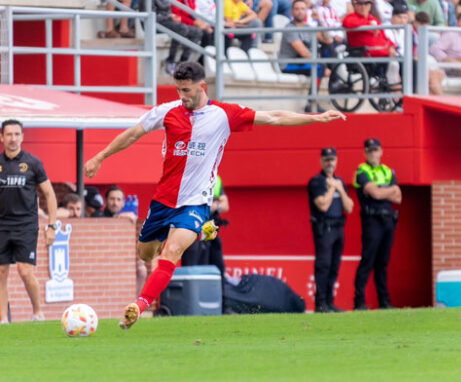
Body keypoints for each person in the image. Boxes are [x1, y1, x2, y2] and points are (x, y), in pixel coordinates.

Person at [83, 62, 345, 330]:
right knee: (145, 254)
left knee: (172, 251)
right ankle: (201, 231)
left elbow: (273, 117)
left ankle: (138, 306)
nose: (182, 95)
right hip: (163, 200)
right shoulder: (167, 111)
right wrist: (100, 157)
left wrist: (315, 118)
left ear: (202, 87)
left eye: (186, 90)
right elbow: (133, 134)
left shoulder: (223, 114)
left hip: (195, 202)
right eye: (178, 89)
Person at [0, 119, 58, 323]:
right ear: (2, 137)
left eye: (16, 134)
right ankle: (3, 320)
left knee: (24, 271)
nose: (13, 138)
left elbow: (50, 195)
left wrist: (52, 225)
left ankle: (37, 312)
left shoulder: (33, 163)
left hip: (26, 225)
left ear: (22, 137)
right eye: (9, 134)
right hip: (2, 226)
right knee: (1, 271)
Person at [353, 138, 401, 310]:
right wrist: (387, 191)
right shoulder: (362, 170)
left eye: (376, 150)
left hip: (387, 220)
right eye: (370, 150)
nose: (373, 153)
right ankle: (359, 302)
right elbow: (376, 194)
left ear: (381, 151)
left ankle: (384, 302)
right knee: (368, 260)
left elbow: (398, 197)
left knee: (383, 262)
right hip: (371, 220)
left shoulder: (387, 171)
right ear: (365, 153)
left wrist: (382, 192)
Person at [308, 147, 353, 313]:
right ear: (321, 161)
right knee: (323, 265)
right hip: (324, 228)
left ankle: (330, 302)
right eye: (326, 160)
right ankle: (320, 304)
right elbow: (323, 205)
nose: (329, 163)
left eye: (332, 159)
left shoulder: (339, 181)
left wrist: (339, 188)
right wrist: (333, 188)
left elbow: (349, 207)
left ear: (336, 161)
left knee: (334, 266)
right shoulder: (317, 182)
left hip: (338, 228)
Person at [280, 0, 333, 111]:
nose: (300, 12)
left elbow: (328, 40)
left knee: (328, 52)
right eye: (297, 9)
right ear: (292, 12)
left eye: (303, 9)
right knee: (319, 67)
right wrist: (322, 65)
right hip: (288, 65)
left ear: (306, 11)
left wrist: (320, 21)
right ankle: (311, 102)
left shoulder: (308, 27)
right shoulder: (289, 28)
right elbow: (303, 52)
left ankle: (337, 81)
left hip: (303, 63)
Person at [181, 175, 229, 279]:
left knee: (215, 258)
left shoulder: (216, 179)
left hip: (210, 226)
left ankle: (218, 288)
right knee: (193, 261)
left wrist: (216, 206)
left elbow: (225, 205)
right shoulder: (191, 176)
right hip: (193, 225)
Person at [429, 12, 461, 95]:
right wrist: (449, 60)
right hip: (453, 68)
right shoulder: (450, 34)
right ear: (457, 22)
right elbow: (434, 49)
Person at [150, 0, 204, 76]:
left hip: (169, 20)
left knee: (197, 32)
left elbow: (171, 12)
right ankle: (170, 60)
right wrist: (170, 17)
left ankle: (182, 63)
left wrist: (172, 17)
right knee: (182, 29)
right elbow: (150, 15)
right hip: (155, 23)